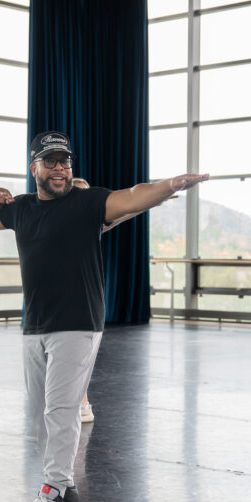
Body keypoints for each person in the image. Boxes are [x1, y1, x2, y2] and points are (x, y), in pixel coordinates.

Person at [0, 130, 208, 502]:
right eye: (50, 161)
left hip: (78, 321)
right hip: (34, 324)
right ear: (34, 167)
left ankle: (50, 496)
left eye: (66, 161)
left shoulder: (88, 203)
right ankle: (66, 497)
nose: (60, 168)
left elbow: (133, 196)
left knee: (61, 410)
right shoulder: (23, 209)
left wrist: (169, 185)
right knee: (39, 415)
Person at [70, 177, 178, 423]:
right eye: (79, 194)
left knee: (78, 355)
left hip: (82, 298)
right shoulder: (58, 221)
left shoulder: (91, 224)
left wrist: (153, 200)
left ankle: (82, 402)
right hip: (58, 299)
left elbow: (123, 212)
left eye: (87, 194)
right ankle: (75, 402)